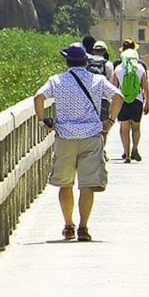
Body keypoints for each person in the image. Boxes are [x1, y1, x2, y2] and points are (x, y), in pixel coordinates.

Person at [35, 44, 124, 242]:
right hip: (91, 137)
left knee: (65, 184)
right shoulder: (97, 80)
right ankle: (83, 227)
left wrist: (44, 121)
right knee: (87, 185)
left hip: (65, 137)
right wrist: (109, 121)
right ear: (86, 61)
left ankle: (68, 226)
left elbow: (38, 97)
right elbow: (118, 96)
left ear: (67, 61)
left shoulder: (56, 80)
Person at [112, 48, 149, 163]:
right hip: (137, 101)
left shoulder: (118, 69)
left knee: (124, 129)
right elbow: (145, 87)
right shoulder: (140, 68)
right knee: (136, 128)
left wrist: (112, 105)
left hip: (123, 102)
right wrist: (147, 102)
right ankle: (135, 148)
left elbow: (113, 88)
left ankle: (127, 155)